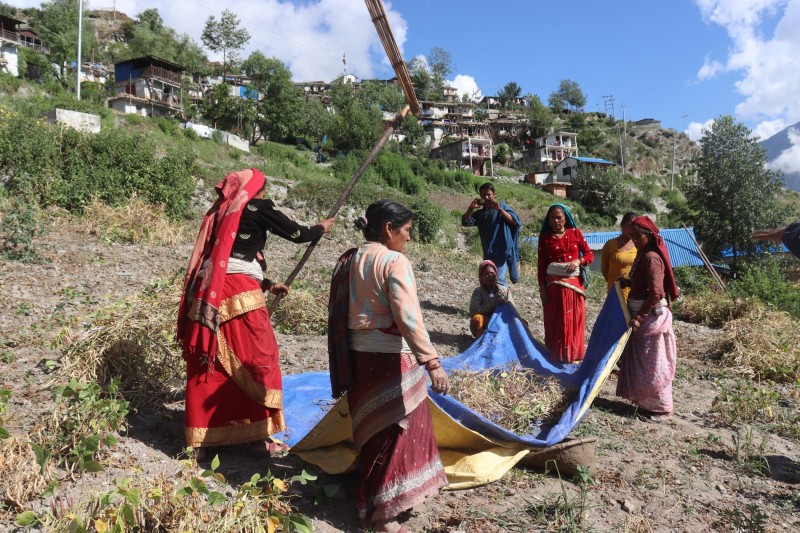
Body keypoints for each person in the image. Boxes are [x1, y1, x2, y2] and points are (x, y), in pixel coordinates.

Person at [177, 168, 334, 461]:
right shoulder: (257, 206)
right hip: (238, 291)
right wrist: (320, 229)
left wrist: (266, 284)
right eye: (263, 189)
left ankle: (201, 441)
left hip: (208, 289)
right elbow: (296, 234)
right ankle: (258, 438)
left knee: (208, 358)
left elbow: (226, 254)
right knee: (260, 359)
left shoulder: (219, 213)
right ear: (257, 189)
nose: (264, 194)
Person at [336, 200, 449, 533]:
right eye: (407, 231)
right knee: (399, 432)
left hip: (357, 358)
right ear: (389, 229)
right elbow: (407, 316)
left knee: (373, 433)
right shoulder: (394, 260)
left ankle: (369, 502)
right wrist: (431, 361)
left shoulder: (349, 259)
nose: (409, 239)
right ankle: (384, 515)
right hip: (389, 358)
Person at [616, 216, 680, 422]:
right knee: (646, 363)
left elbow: (656, 293)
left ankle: (662, 408)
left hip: (651, 318)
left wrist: (640, 317)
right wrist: (628, 281)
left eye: (638, 236)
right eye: (632, 236)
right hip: (644, 316)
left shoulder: (651, 257)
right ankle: (647, 404)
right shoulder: (642, 254)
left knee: (653, 365)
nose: (634, 240)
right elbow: (643, 283)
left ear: (649, 236)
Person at [537, 204, 594, 363]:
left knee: (574, 319)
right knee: (557, 320)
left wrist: (579, 261)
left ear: (565, 218)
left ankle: (574, 355)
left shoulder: (575, 233)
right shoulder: (545, 238)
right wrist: (542, 288)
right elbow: (541, 265)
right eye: (552, 217)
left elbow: (589, 255)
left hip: (574, 286)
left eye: (559, 217)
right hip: (553, 286)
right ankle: (557, 355)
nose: (556, 221)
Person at [462, 182, 521, 286]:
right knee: (490, 278)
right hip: (489, 251)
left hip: (503, 249)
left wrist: (499, 210)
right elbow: (466, 222)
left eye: (489, 194)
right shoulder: (480, 214)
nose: (486, 197)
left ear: (494, 195)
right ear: (480, 196)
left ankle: (505, 301)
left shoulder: (502, 206)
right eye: (483, 195)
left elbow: (514, 222)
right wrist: (470, 208)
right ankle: (495, 300)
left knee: (499, 279)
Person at [469, 259, 515, 337]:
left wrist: (506, 303)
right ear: (481, 277)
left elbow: (513, 309)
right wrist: (492, 304)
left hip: (502, 321)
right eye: (486, 274)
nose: (490, 276)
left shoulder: (504, 290)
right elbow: (474, 311)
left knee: (522, 323)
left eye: (492, 273)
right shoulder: (478, 292)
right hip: (486, 322)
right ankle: (481, 342)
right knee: (477, 319)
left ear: (496, 275)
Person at [600, 212, 638, 299]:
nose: (631, 229)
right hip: (615, 289)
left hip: (635, 292)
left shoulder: (639, 244)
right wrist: (614, 281)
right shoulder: (610, 244)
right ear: (622, 225)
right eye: (629, 225)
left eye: (634, 226)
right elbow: (604, 269)